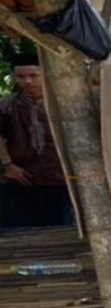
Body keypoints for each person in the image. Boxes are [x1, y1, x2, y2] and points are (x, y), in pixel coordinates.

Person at [0, 52, 73, 229]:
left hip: (60, 179)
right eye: (21, 76)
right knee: (18, 232)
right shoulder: (7, 105)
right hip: (21, 178)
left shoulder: (64, 103)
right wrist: (8, 165)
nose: (28, 81)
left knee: (61, 231)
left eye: (33, 76)